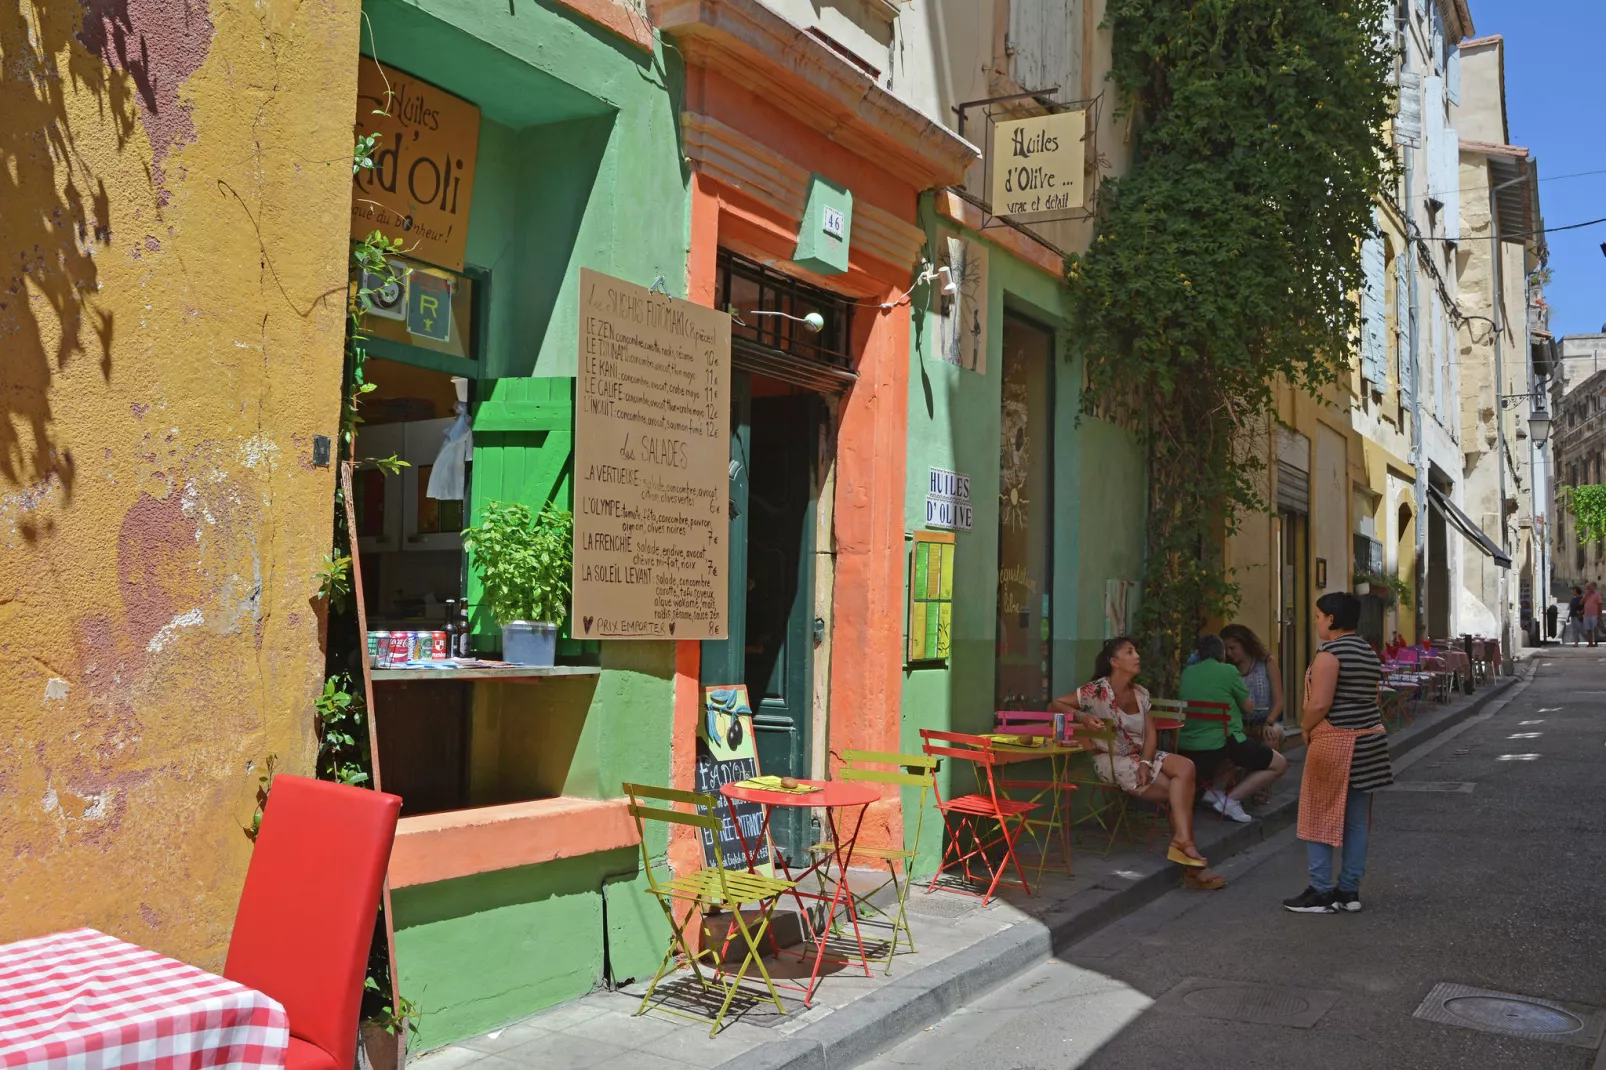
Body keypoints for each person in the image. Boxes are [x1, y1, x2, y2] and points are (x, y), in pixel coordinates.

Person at [1050, 637, 1226, 890]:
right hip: (1113, 760)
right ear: (1114, 661)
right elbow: (1054, 704)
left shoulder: (1141, 693)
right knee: (1178, 793)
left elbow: (1151, 733)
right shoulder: (1097, 691)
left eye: (1136, 650)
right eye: (1130, 652)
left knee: (1186, 768)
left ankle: (1184, 845)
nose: (1137, 656)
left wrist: (1145, 761)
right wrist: (1084, 716)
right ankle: (1191, 862)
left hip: (1140, 757)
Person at [1284, 592, 1394, 914]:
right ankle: (1349, 890)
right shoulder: (1368, 652)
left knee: (1317, 815)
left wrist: (1305, 726)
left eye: (1318, 617)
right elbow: (1373, 700)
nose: (1317, 622)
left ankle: (1320, 890)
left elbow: (1320, 703)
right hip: (1369, 742)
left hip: (1335, 743)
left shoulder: (1329, 654)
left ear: (1331, 619)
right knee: (1357, 821)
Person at [1177, 634, 1288, 822]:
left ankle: (1214, 793)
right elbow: (1248, 707)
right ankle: (1231, 800)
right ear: (1221, 653)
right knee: (1279, 764)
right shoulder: (1228, 671)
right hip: (1224, 743)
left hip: (1187, 743)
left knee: (1232, 756)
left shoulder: (1188, 672)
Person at [1585, 582, 1603, 648]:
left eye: (1588, 587)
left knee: (1595, 630)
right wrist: (1586, 595)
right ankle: (1590, 643)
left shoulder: (1597, 595)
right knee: (1588, 630)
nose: (1587, 589)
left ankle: (1596, 642)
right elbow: (1581, 602)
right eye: (1587, 587)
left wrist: (1599, 615)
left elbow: (1600, 605)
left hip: (1594, 615)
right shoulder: (1586, 595)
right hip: (1586, 615)